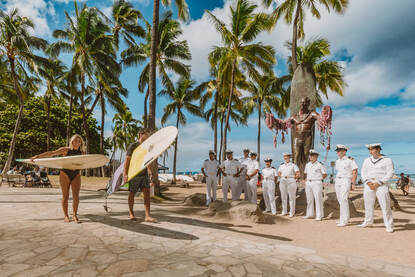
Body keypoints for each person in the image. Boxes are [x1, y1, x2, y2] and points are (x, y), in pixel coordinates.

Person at [30, 134, 85, 223]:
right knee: (65, 196)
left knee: (76, 196)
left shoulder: (82, 153)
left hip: (76, 174)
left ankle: (75, 215)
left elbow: (85, 163)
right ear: (72, 141)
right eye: (75, 140)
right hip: (65, 174)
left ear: (81, 143)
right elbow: (52, 153)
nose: (77, 142)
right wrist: (38, 156)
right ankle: (66, 216)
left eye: (79, 141)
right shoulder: (66, 150)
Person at [359, 143, 394, 233]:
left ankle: (389, 225)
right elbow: (363, 172)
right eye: (369, 150)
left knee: (385, 205)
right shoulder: (367, 160)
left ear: (378, 149)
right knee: (368, 204)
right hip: (369, 184)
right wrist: (368, 182)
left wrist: (379, 183)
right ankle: (368, 221)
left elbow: (390, 173)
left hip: (381, 184)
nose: (370, 151)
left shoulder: (387, 160)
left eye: (372, 149)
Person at [123, 128, 156, 222]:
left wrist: (150, 173)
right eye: (147, 134)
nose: (148, 137)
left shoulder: (147, 147)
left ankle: (147, 216)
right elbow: (127, 161)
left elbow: (147, 161)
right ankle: (131, 213)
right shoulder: (133, 146)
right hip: (134, 173)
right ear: (141, 134)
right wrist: (125, 174)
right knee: (132, 193)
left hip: (144, 173)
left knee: (147, 193)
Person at [334, 144, 358, 227]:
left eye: (340, 150)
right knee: (340, 200)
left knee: (344, 199)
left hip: (346, 180)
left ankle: (344, 221)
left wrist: (353, 183)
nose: (338, 152)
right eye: (337, 150)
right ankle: (343, 219)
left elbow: (354, 171)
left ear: (344, 151)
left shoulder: (350, 160)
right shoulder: (337, 161)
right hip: (338, 180)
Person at [303, 150, 327, 221]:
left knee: (318, 199)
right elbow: (306, 173)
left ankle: (319, 215)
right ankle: (310, 214)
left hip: (317, 182)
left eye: (312, 155)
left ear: (316, 156)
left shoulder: (320, 165)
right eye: (310, 155)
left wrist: (319, 179)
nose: (310, 157)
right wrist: (305, 180)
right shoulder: (307, 165)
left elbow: (325, 174)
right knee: (309, 199)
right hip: (308, 182)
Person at [277, 152, 300, 217]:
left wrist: (295, 178)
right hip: (283, 180)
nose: (285, 158)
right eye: (284, 156)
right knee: (283, 197)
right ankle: (284, 211)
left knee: (292, 197)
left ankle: (292, 212)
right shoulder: (281, 165)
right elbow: (279, 172)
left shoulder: (293, 165)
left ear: (289, 157)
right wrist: (281, 176)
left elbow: (297, 173)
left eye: (287, 156)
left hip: (291, 180)